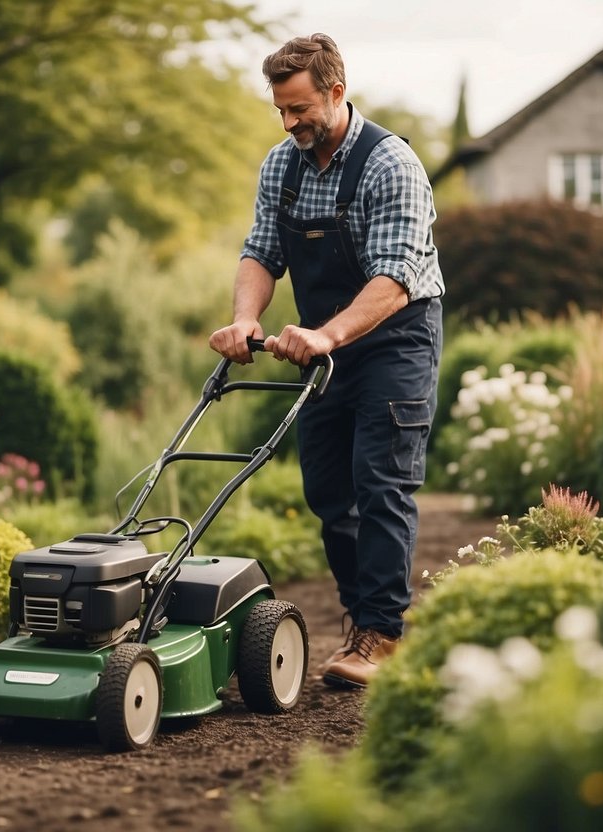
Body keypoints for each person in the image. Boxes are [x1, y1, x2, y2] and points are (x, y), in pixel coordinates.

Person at [209, 33, 444, 688]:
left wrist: (326, 336)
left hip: (395, 338)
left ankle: (381, 632)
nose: (288, 124)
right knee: (327, 490)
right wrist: (244, 320)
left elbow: (394, 279)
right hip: (324, 343)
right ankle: (361, 617)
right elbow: (260, 253)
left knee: (380, 480)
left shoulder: (389, 164)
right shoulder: (280, 165)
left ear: (336, 93)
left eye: (299, 109)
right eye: (279, 111)